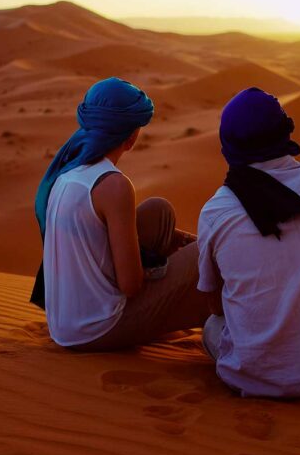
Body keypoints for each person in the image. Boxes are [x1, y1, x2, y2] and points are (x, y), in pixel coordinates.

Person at [196, 87, 300, 398]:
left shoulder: (217, 210)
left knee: (212, 327)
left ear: (228, 143)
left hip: (252, 379)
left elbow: (213, 303)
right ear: (284, 131)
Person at [30, 77, 209, 351]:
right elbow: (131, 285)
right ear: (131, 135)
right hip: (97, 328)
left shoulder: (68, 170)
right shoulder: (113, 185)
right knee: (209, 252)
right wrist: (169, 268)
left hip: (65, 324)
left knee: (158, 212)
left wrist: (176, 242)